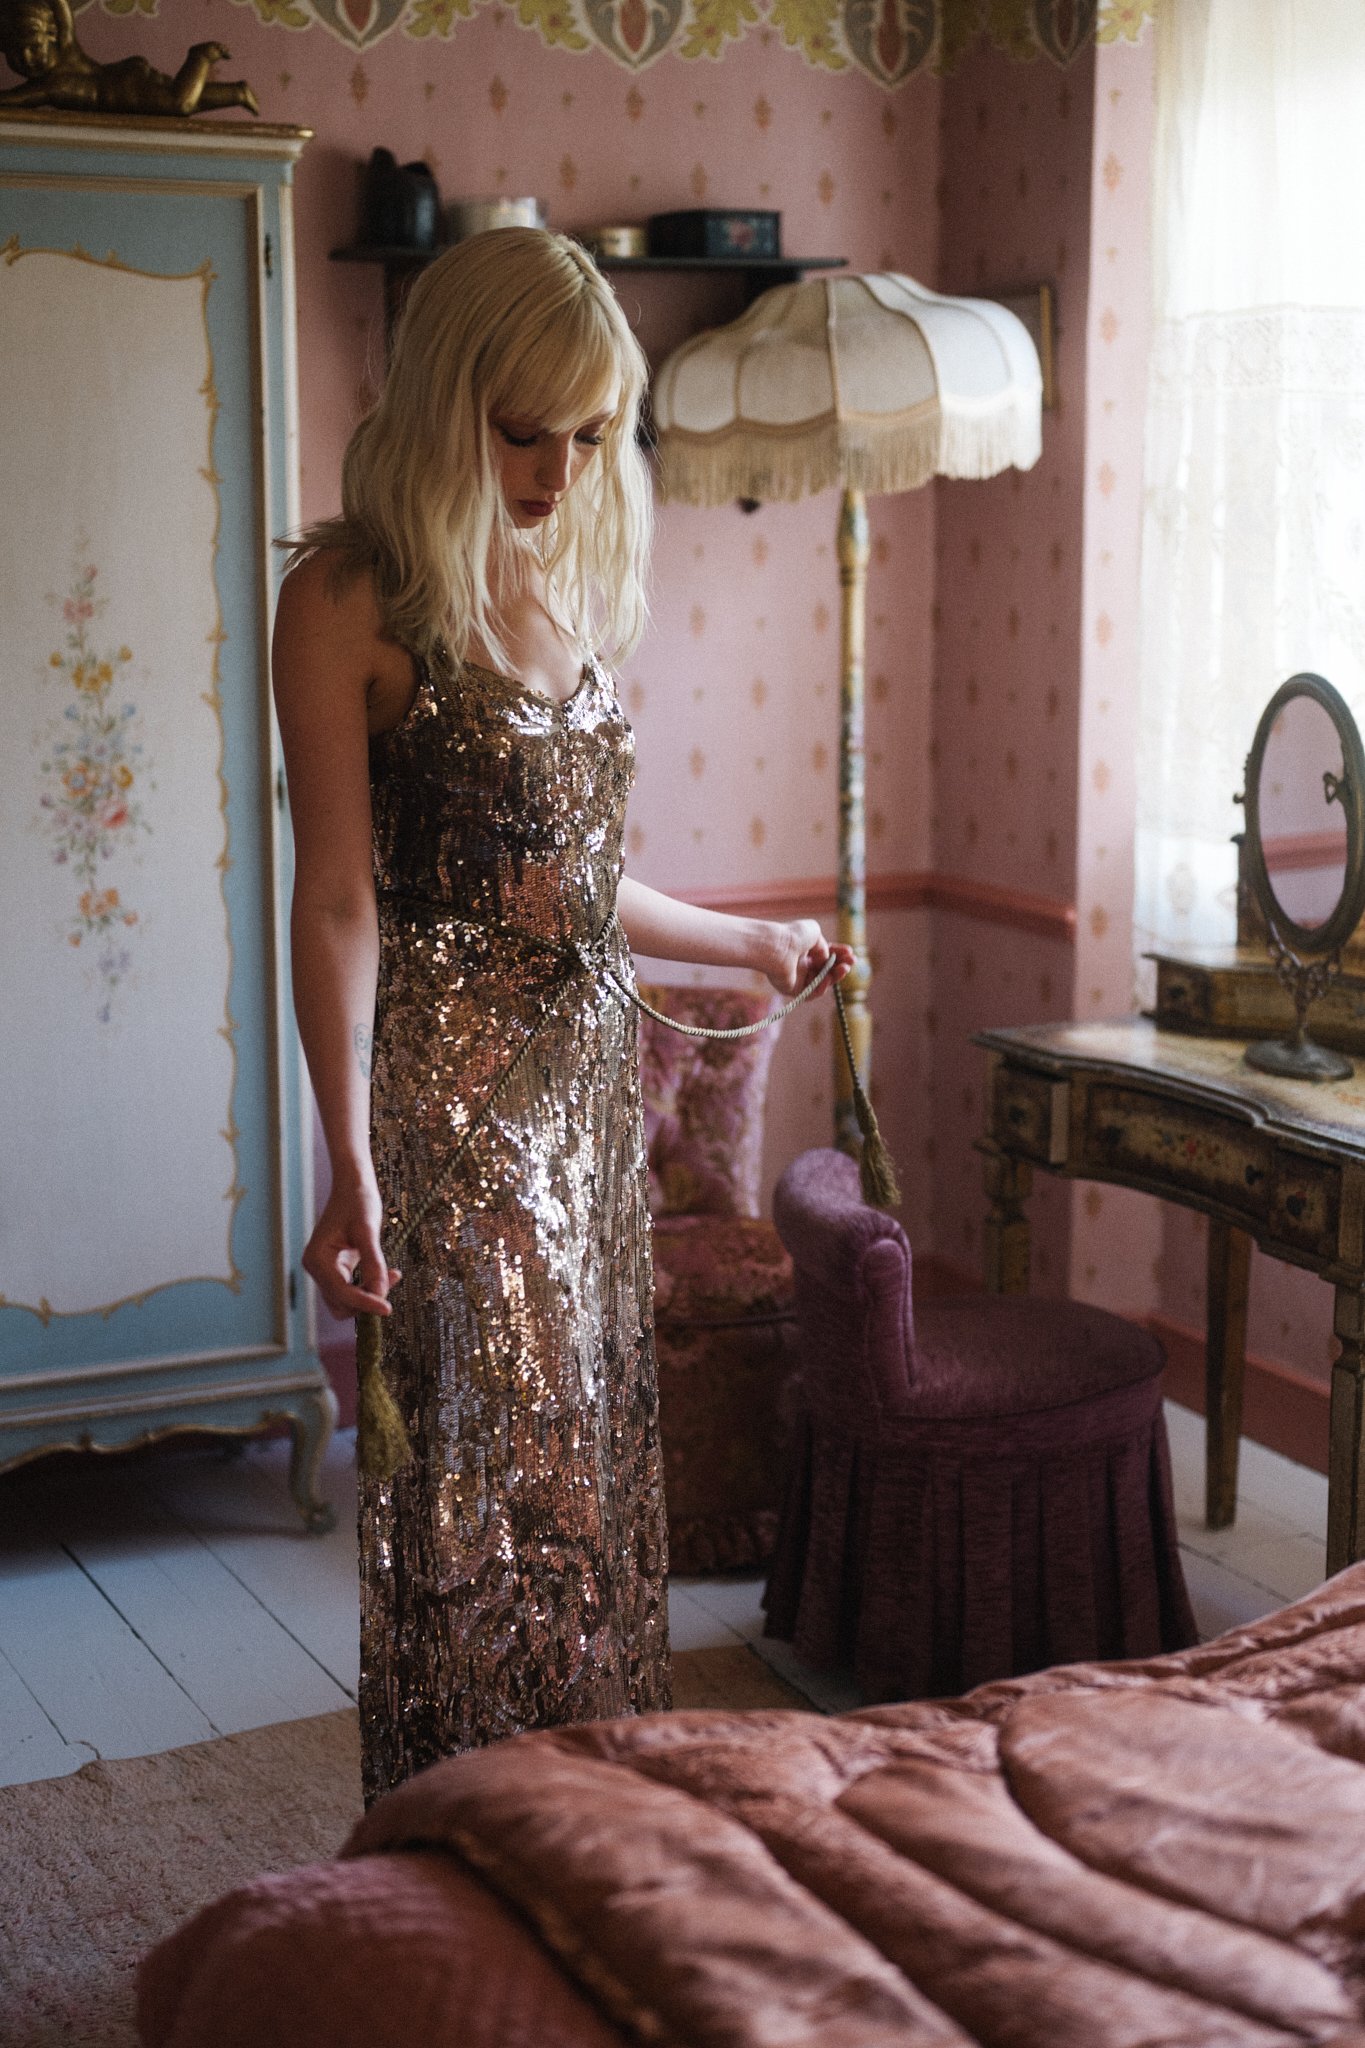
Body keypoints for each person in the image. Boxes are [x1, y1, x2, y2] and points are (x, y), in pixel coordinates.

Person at [271, 227, 850, 1805]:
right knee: (481, 1502)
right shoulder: (346, 597)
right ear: (448, 393)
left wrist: (749, 942)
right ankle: (459, 1835)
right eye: (524, 427)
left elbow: (581, 888)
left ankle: (585, 1821)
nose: (558, 468)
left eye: (590, 436)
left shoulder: (560, 589)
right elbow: (339, 901)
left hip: (583, 1108)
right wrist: (349, 1159)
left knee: (584, 1487)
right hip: (454, 1120)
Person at [0, 0, 259, 116]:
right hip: (127, 81)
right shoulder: (45, 81)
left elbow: (62, 8)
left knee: (179, 104)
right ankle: (236, 93)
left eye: (33, 47)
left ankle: (200, 57)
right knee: (178, 103)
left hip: (123, 87)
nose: (25, 58)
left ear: (51, 35)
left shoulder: (63, 60)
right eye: (14, 52)